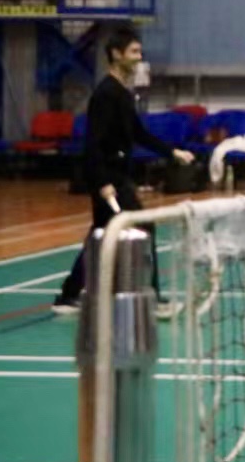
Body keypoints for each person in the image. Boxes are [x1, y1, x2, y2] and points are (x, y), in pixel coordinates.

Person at [52, 27, 194, 318]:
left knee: (101, 234)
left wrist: (172, 152)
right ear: (116, 55)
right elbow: (93, 144)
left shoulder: (122, 93)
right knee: (143, 228)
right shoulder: (106, 94)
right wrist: (102, 182)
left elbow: (138, 133)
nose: (139, 57)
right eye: (134, 51)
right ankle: (152, 299)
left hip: (118, 176)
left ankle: (68, 295)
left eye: (140, 51)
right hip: (110, 180)